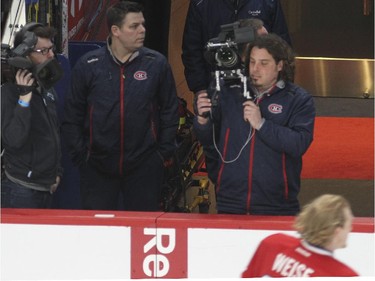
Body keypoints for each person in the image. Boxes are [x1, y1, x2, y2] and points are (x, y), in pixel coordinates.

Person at [61, 1, 179, 211]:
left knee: (142, 231)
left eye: (142, 24)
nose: (142, 30)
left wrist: (161, 154)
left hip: (144, 167)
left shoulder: (156, 63)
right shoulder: (89, 65)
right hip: (97, 167)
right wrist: (82, 156)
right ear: (115, 30)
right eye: (134, 26)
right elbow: (72, 115)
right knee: (99, 232)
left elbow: (170, 109)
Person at [194, 33, 315, 215]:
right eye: (252, 62)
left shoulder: (298, 99)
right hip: (230, 202)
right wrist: (202, 121)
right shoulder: (229, 92)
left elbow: (299, 144)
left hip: (277, 205)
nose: (255, 69)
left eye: (263, 63)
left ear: (280, 65)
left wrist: (262, 125)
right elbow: (209, 140)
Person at [182, 0, 290, 182]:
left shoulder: (268, 3)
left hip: (260, 88)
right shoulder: (201, 4)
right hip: (217, 87)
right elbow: (191, 49)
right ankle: (224, 194)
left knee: (263, 145)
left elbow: (282, 45)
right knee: (217, 149)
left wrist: (278, 86)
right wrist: (200, 90)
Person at [1, 23, 63, 208]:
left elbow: (54, 132)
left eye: (51, 49)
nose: (50, 55)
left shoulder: (46, 89)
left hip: (47, 186)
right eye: (43, 51)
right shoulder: (8, 93)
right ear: (25, 56)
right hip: (19, 189)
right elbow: (13, 140)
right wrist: (24, 99)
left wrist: (57, 172)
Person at [242, 194, 358, 277]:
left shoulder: (273, 243)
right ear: (336, 231)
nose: (350, 229)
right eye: (349, 224)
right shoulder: (342, 275)